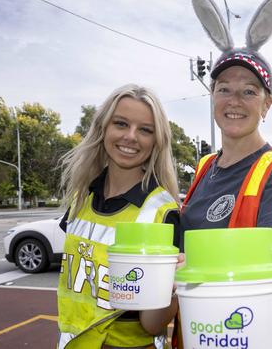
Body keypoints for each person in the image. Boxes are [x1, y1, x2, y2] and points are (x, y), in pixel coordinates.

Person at [141, 0, 272, 349]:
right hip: (201, 336)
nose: (235, 100)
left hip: (253, 338)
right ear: (213, 97)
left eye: (249, 91)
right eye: (224, 89)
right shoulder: (205, 167)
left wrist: (198, 275)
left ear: (267, 104)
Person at [56, 84, 180, 349]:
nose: (131, 137)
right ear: (103, 129)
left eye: (145, 130)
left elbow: (152, 324)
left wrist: (174, 288)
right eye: (121, 124)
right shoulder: (81, 197)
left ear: (156, 140)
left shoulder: (163, 212)